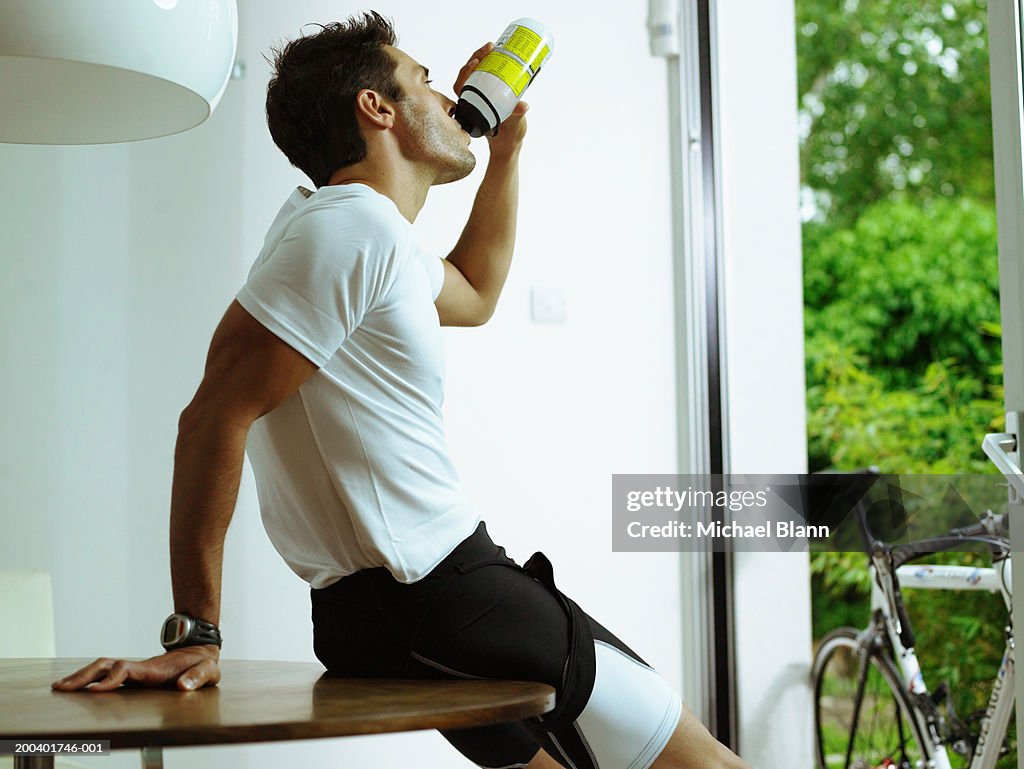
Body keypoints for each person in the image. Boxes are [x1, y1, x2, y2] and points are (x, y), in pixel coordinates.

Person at [53, 12, 751, 769]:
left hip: (378, 616)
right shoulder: (352, 229)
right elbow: (211, 417)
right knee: (709, 764)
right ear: (376, 108)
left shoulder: (364, 238)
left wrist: (508, 148)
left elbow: (476, 291)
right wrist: (197, 632)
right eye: (423, 77)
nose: (450, 96)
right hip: (446, 595)